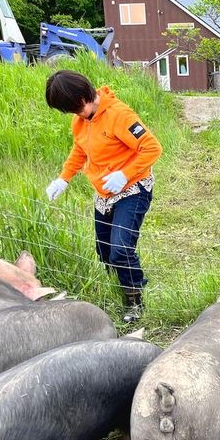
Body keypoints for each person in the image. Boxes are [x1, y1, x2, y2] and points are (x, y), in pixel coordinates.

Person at [44, 70, 162, 323]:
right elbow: (79, 150)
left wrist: (125, 173)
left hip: (132, 188)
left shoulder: (120, 116)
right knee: (104, 251)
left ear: (83, 97)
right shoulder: (81, 121)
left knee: (120, 249)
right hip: (104, 192)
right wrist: (63, 178)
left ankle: (134, 300)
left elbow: (152, 148)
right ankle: (128, 281)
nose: (74, 115)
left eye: (74, 108)